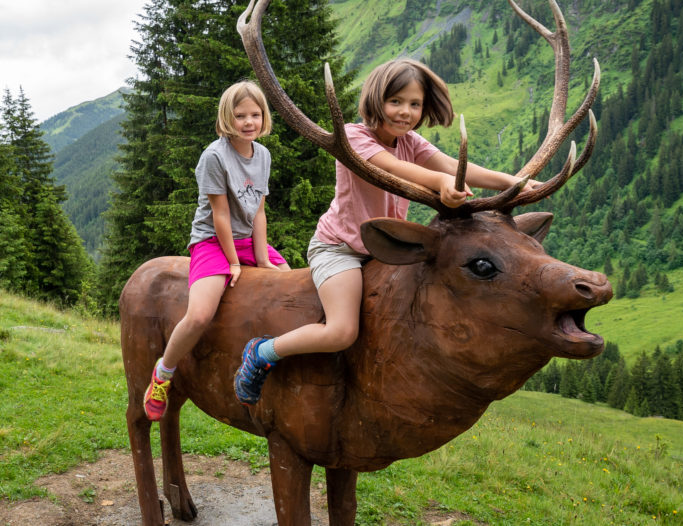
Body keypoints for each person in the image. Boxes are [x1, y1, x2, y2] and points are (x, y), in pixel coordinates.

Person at [233, 59, 537, 404]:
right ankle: (263, 353)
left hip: (389, 249)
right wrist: (442, 184)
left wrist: (518, 183)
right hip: (342, 249)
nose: (405, 112)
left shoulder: (411, 141)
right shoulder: (352, 137)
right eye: (396, 102)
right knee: (342, 331)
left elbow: (454, 166)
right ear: (376, 100)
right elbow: (395, 168)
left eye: (414, 104)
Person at [143, 80, 291, 420]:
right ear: (228, 117)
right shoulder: (214, 156)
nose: (249, 122)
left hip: (248, 239)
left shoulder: (263, 155)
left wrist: (265, 258)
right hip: (213, 240)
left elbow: (259, 211)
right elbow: (221, 215)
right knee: (198, 315)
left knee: (295, 287)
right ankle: (163, 374)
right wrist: (234, 263)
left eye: (255, 114)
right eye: (240, 116)